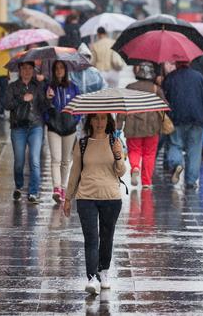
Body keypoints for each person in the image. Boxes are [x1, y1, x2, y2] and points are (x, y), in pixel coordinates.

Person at [64, 113, 125, 295]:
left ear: (108, 121)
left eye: (103, 119)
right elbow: (74, 172)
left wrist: (118, 156)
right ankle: (92, 278)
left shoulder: (115, 142)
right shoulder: (82, 143)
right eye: (96, 118)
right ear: (90, 120)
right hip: (86, 198)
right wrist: (68, 198)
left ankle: (103, 271)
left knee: (107, 237)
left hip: (111, 198)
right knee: (91, 240)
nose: (99, 122)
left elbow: (121, 172)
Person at [162, 62, 203, 189]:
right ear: (189, 62)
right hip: (197, 118)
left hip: (176, 117)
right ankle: (191, 181)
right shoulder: (199, 78)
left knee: (175, 144)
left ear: (176, 63)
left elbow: (165, 98)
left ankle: (177, 164)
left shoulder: (170, 78)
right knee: (194, 149)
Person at [5, 61, 49, 203]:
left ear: (34, 70)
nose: (27, 71)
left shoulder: (39, 86)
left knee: (34, 160)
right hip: (18, 127)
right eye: (24, 68)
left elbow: (43, 106)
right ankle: (18, 186)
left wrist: (48, 97)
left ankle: (33, 192)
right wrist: (22, 99)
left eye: (30, 68)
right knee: (19, 161)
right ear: (19, 69)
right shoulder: (13, 87)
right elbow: (6, 104)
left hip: (36, 126)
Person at [116, 62, 165, 188]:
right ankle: (147, 182)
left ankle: (135, 168)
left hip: (133, 126)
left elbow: (122, 108)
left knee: (134, 150)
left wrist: (118, 126)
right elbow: (165, 106)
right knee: (149, 153)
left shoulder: (130, 87)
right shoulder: (155, 89)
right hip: (152, 127)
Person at [45, 60, 80, 203]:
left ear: (66, 70)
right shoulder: (48, 87)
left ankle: (64, 187)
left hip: (69, 127)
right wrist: (48, 100)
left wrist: (75, 120)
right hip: (54, 126)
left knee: (66, 160)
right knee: (56, 159)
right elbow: (43, 107)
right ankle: (57, 188)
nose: (59, 70)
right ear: (53, 71)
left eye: (61, 68)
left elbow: (79, 106)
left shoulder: (73, 87)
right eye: (56, 68)